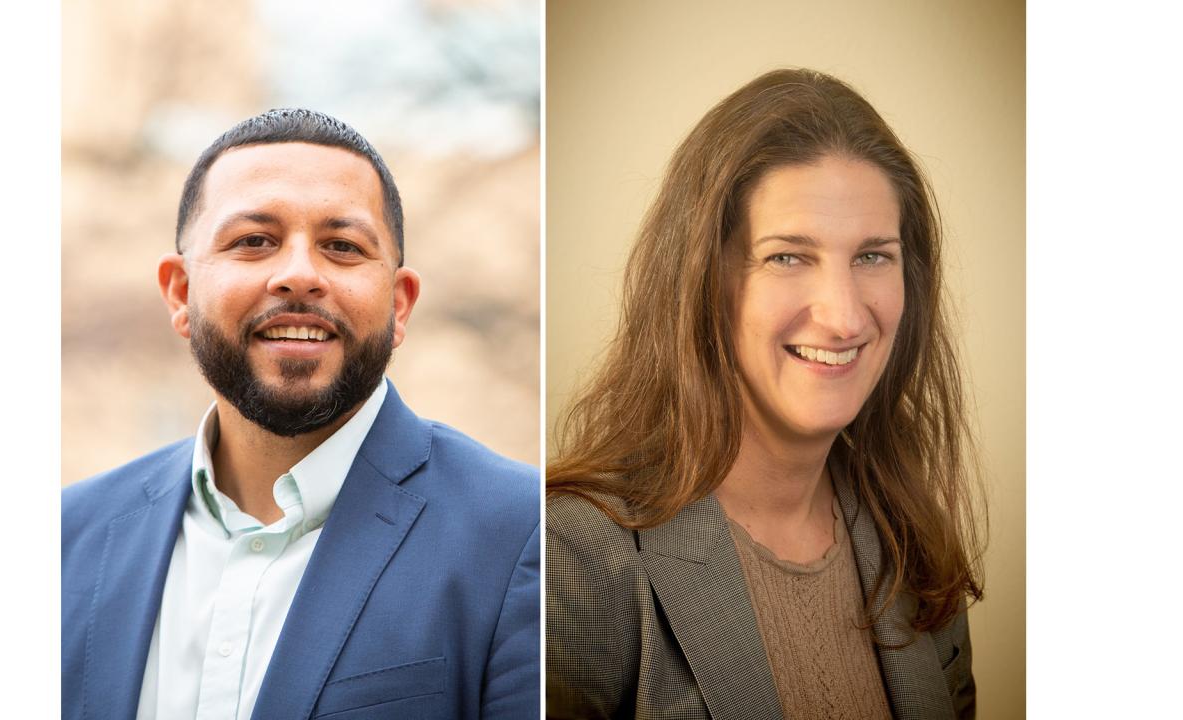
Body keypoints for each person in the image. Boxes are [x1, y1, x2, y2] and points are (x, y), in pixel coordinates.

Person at [62, 109, 540, 720]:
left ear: (399, 306)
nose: (298, 275)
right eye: (253, 241)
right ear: (181, 293)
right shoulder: (64, 538)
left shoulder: (520, 533)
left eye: (342, 247)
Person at [546, 69, 983, 719]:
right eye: (788, 257)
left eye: (872, 256)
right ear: (702, 280)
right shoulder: (572, 556)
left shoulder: (911, 536)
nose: (843, 317)